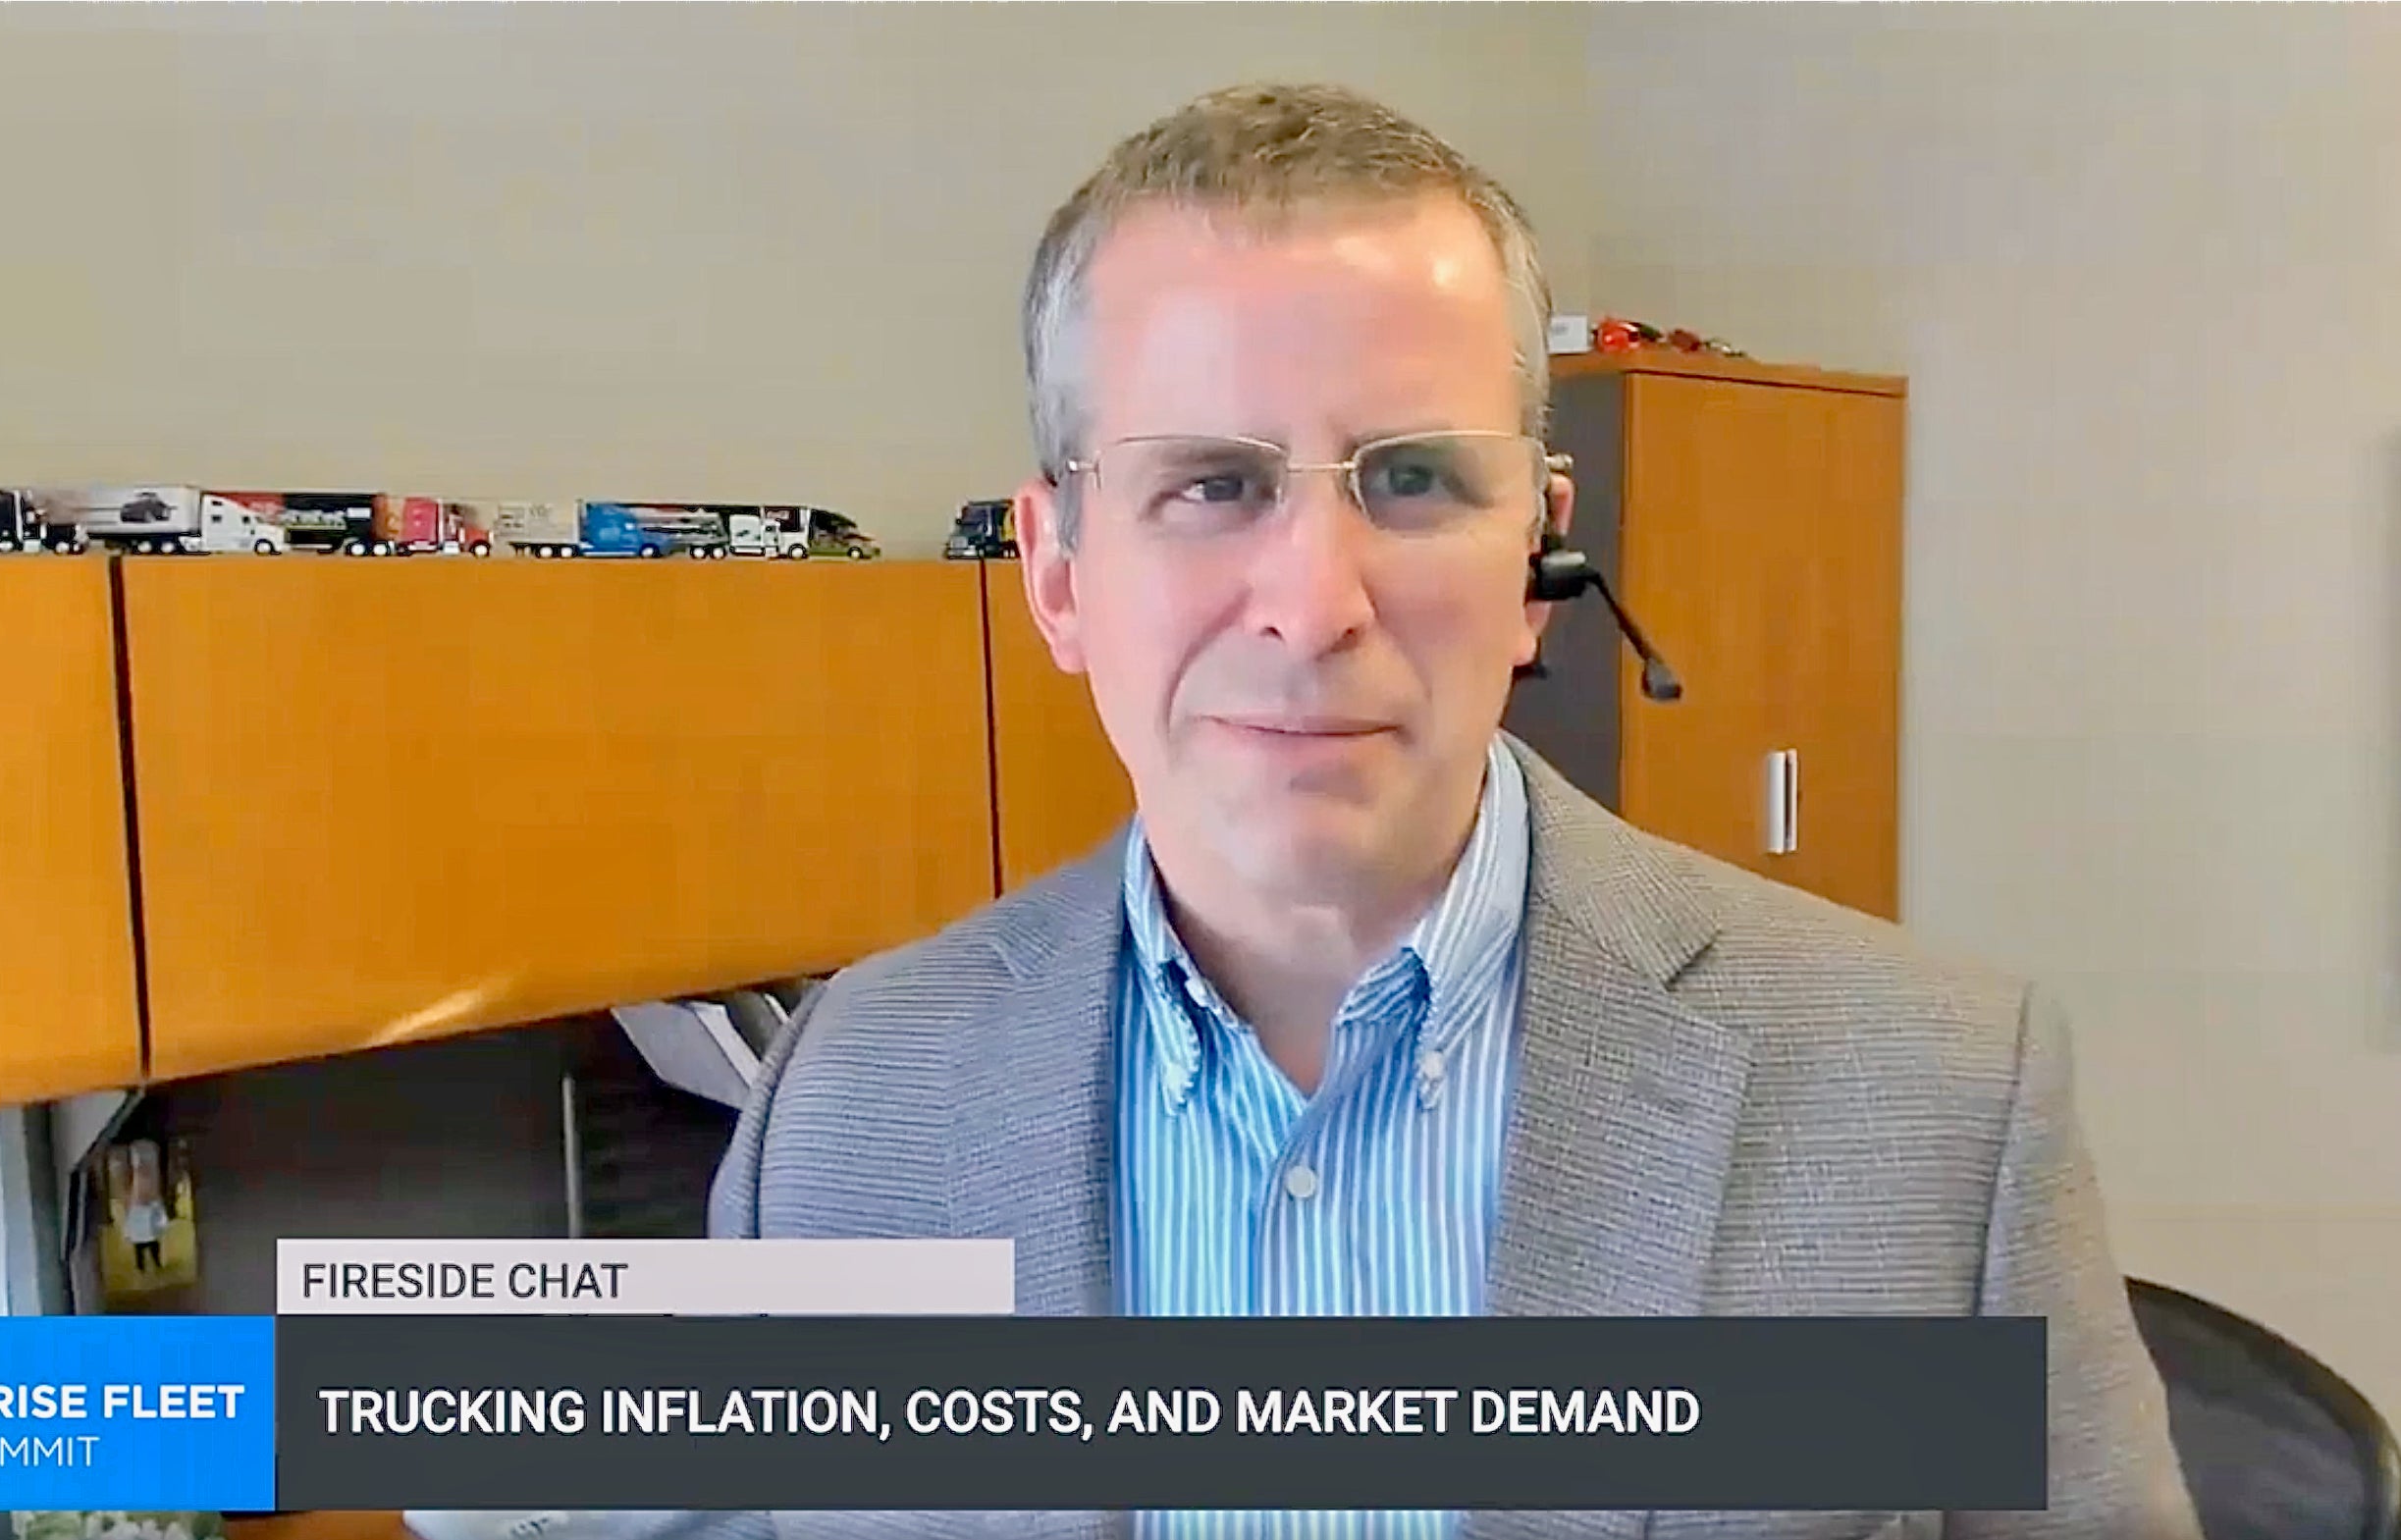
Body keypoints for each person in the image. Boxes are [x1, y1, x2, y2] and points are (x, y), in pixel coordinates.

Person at [699, 83, 2202, 1539]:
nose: (1312, 605)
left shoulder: (1940, 1096)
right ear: (1058, 573)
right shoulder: (839, 1109)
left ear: (1538, 557)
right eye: (1209, 484)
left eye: (1411, 479)